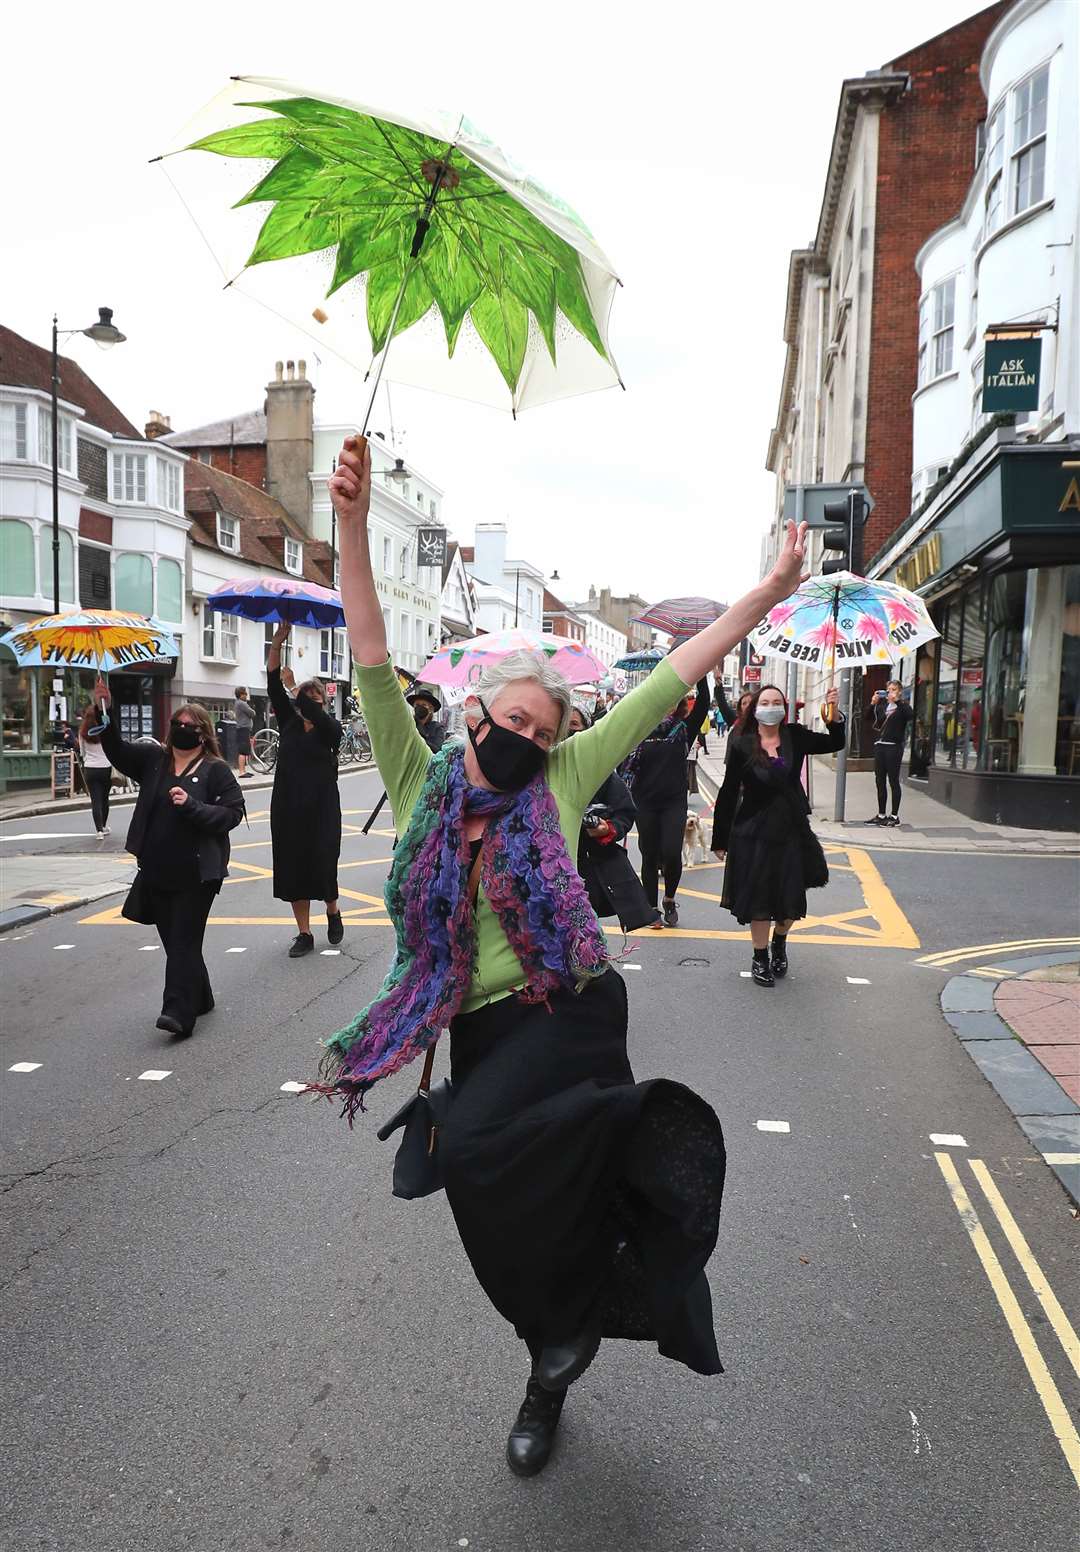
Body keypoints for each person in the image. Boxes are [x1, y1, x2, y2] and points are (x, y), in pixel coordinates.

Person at [315, 434, 808, 1479]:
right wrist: (349, 523)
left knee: (476, 1137)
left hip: (571, 1009)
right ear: (476, 713)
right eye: (513, 721)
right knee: (501, 1208)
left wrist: (764, 591)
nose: (526, 740)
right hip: (483, 1027)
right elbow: (365, 644)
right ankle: (554, 1353)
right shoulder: (420, 781)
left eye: (543, 731)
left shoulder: (566, 775)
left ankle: (609, 1154)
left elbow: (678, 668)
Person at [91, 681, 245, 1036]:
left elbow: (233, 813)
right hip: (157, 870)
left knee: (183, 942)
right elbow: (117, 751)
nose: (183, 730)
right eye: (178, 724)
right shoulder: (154, 761)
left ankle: (178, 1013)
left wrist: (192, 806)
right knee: (176, 942)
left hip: (197, 872)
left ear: (203, 734)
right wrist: (106, 709)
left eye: (191, 726)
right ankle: (201, 996)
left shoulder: (215, 770)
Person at [711, 684, 844, 987]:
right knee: (758, 897)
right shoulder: (742, 744)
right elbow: (729, 792)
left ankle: (779, 944)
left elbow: (835, 742)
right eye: (765, 701)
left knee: (789, 895)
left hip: (790, 829)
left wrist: (833, 714)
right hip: (752, 831)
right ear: (755, 708)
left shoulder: (795, 736)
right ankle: (760, 958)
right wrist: (720, 838)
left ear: (784, 708)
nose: (771, 706)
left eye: (776, 702)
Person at [266, 622, 344, 957]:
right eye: (304, 699)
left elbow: (313, 711)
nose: (307, 705)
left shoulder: (331, 729)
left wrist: (296, 689)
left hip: (323, 806)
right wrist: (276, 643)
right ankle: (304, 933)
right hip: (288, 805)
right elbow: (271, 683)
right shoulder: (288, 722)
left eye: (314, 700)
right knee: (293, 865)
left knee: (323, 861)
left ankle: (333, 908)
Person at [620, 673, 710, 928]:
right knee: (648, 855)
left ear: (679, 705)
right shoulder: (638, 730)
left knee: (672, 853)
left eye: (672, 701)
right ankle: (651, 909)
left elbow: (704, 702)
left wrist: (701, 674)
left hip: (673, 802)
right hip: (644, 802)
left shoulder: (684, 729)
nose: (666, 705)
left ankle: (669, 898)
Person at [567, 706, 658, 932]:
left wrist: (606, 828)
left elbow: (625, 812)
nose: (568, 732)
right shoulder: (538, 769)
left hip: (589, 868)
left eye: (574, 725)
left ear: (587, 730)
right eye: (561, 726)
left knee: (587, 937)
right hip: (548, 870)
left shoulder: (600, 771)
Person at [867, 680, 914, 826]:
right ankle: (881, 814)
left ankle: (894, 816)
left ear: (899, 691)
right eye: (889, 690)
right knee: (879, 781)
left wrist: (898, 701)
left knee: (893, 781)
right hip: (880, 747)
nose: (890, 692)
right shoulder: (882, 706)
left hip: (894, 748)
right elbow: (867, 718)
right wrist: (872, 703)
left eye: (894, 690)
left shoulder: (902, 707)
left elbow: (910, 716)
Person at [78, 701, 112, 837]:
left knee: (95, 800)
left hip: (90, 769)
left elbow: (82, 753)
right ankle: (103, 825)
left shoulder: (82, 733)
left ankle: (98, 831)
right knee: (105, 799)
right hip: (105, 767)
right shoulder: (105, 731)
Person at [406, 688, 447, 752]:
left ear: (431, 709)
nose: (419, 707)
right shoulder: (409, 723)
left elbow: (437, 749)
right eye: (417, 705)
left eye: (423, 705)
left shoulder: (437, 728)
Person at [234, 686, 255, 777]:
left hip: (243, 728)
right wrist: (252, 710)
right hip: (243, 728)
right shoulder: (242, 703)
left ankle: (244, 770)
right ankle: (242, 772)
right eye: (245, 694)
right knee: (243, 750)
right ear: (241, 694)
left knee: (245, 750)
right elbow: (252, 713)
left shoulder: (239, 703)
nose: (246, 695)